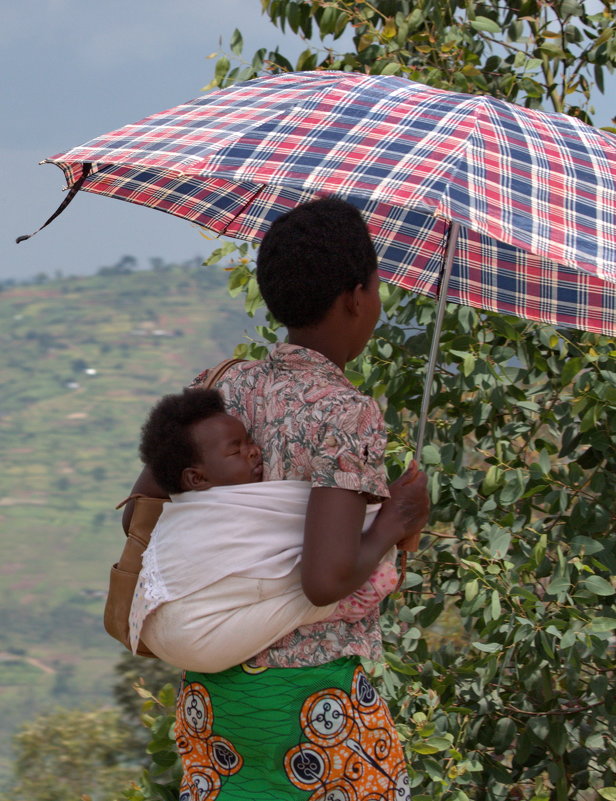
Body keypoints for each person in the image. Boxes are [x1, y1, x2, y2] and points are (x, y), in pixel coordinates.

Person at [122, 197, 430, 801]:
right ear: (356, 297)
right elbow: (325, 579)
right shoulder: (345, 412)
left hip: (217, 709)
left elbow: (139, 514)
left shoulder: (220, 386)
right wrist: (393, 519)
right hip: (312, 709)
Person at [129, 387, 399, 671]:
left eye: (249, 441)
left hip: (152, 629)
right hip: (199, 639)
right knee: (305, 579)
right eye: (237, 450)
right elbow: (342, 519)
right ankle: (336, 607)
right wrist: (390, 518)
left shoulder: (181, 510)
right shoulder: (253, 502)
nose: (254, 451)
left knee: (258, 573)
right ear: (197, 478)